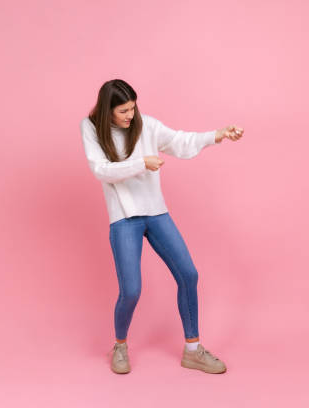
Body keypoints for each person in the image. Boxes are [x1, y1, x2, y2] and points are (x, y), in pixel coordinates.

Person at [80, 79, 244, 374]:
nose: (130, 115)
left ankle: (193, 350)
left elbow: (180, 141)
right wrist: (142, 162)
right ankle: (119, 345)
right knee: (131, 290)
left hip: (156, 213)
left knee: (188, 274)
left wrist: (217, 135)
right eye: (123, 111)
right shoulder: (91, 128)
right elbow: (101, 170)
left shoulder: (147, 125)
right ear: (108, 111)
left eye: (132, 108)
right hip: (124, 218)